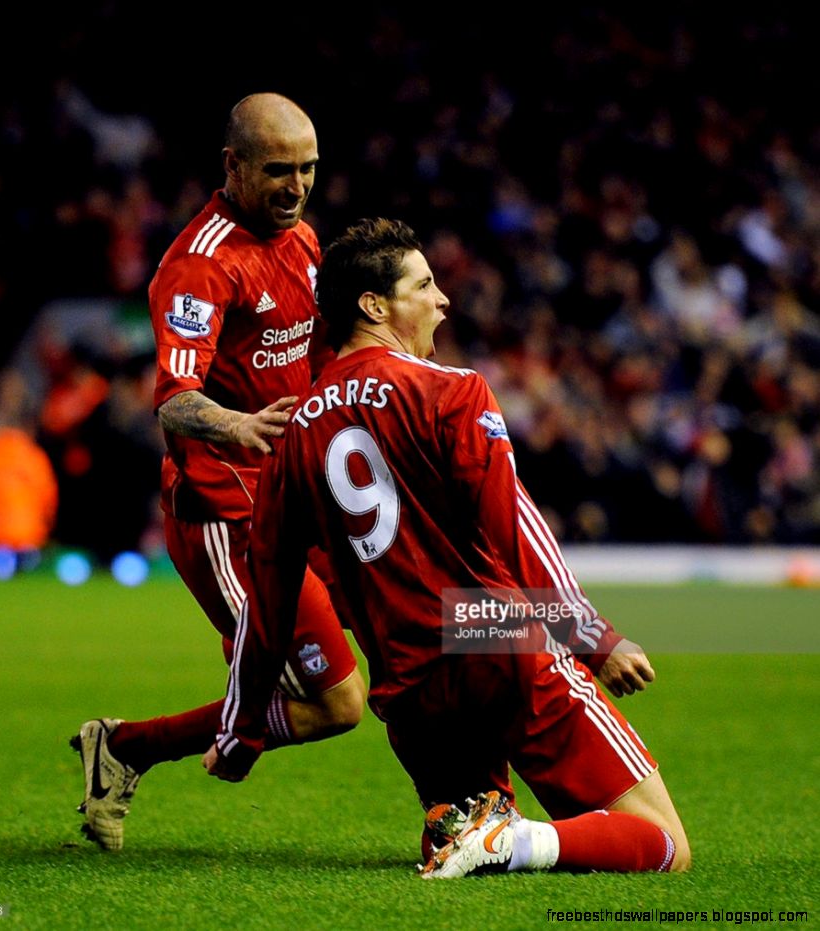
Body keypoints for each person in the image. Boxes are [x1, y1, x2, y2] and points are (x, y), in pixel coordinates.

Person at [205, 218, 690, 877]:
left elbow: (267, 606)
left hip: (409, 692)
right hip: (497, 647)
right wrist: (591, 635)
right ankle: (513, 840)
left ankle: (482, 829)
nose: (443, 300)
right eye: (424, 285)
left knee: (467, 836)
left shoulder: (294, 438)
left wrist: (241, 733)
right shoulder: (451, 390)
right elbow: (512, 529)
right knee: (659, 840)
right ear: (373, 306)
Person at [72, 94, 365, 850]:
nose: (296, 186)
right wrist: (242, 426)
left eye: (306, 169)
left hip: (305, 495)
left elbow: (318, 350)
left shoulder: (300, 238)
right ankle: (128, 745)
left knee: (409, 634)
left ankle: (469, 799)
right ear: (231, 166)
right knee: (337, 705)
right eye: (277, 170)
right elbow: (173, 400)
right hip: (227, 514)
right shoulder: (199, 265)